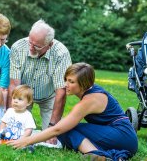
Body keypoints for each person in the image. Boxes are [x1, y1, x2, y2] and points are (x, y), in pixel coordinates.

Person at [8, 63, 138, 160]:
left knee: (65, 130)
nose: (66, 84)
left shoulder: (90, 99)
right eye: (66, 80)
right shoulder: (90, 93)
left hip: (123, 136)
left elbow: (58, 129)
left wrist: (26, 141)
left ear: (84, 84)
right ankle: (96, 154)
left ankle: (95, 154)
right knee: (66, 129)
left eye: (71, 82)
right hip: (117, 134)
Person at [8, 19, 72, 133]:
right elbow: (14, 84)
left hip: (49, 95)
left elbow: (61, 90)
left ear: (49, 44)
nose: (31, 48)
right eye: (30, 42)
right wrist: (11, 116)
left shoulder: (61, 53)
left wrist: (53, 126)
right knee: (17, 130)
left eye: (37, 46)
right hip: (23, 93)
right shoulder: (17, 47)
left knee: (53, 134)